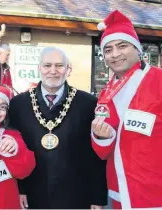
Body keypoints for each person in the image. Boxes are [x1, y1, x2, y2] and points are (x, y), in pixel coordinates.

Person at [8, 47, 107, 209]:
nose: (53, 71)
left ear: (68, 69)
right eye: (47, 65)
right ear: (39, 68)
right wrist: (20, 189)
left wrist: (97, 197)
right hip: (33, 194)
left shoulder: (88, 103)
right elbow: (15, 152)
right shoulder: (19, 104)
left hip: (76, 195)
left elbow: (95, 155)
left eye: (59, 65)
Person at [91, 10, 162, 209]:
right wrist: (101, 137)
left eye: (122, 46)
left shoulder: (159, 80)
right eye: (108, 50)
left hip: (155, 194)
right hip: (119, 194)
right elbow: (102, 152)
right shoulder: (105, 94)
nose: (115, 54)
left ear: (138, 49)